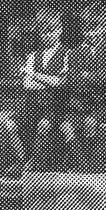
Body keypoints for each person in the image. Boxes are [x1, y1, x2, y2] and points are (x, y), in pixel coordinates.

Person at [60, 4, 106, 171]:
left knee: (89, 123)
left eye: (96, 28)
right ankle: (83, 168)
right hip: (78, 104)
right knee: (66, 126)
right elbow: (72, 82)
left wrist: (87, 77)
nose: (91, 34)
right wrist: (93, 80)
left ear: (104, 29)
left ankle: (82, 168)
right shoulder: (74, 53)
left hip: (103, 105)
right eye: (87, 29)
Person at [18, 9, 70, 168]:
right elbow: (27, 84)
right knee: (8, 125)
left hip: (57, 106)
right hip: (33, 105)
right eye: (43, 32)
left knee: (44, 125)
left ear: (60, 29)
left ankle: (37, 164)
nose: (47, 35)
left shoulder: (67, 53)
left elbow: (61, 83)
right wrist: (46, 80)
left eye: (51, 30)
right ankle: (23, 164)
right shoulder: (33, 55)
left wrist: (34, 75)